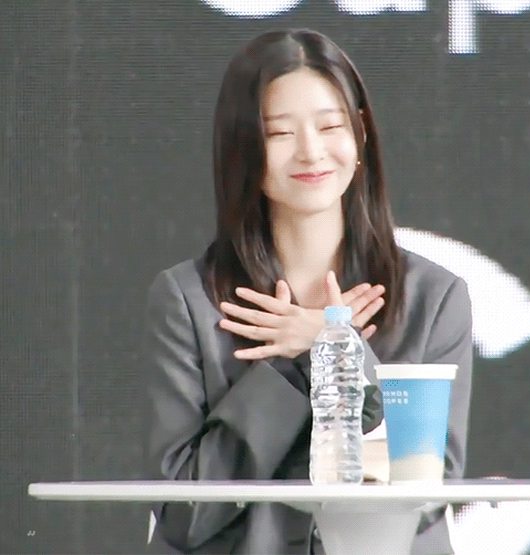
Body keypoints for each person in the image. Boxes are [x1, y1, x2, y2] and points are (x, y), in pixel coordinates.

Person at [145, 28, 473, 555]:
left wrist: (337, 349)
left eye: (331, 126)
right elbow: (185, 515)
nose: (311, 151)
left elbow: (428, 498)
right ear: (242, 147)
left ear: (360, 134)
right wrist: (291, 369)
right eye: (279, 133)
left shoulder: (434, 299)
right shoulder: (188, 300)